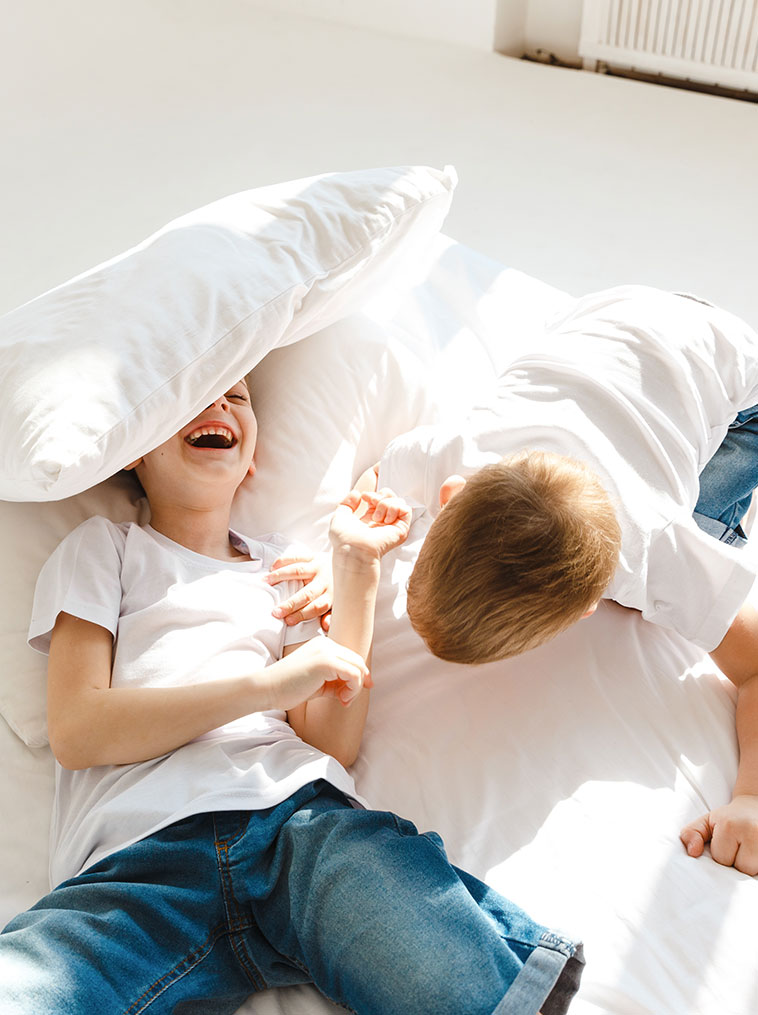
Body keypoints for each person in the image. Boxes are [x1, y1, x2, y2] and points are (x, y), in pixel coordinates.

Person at [0, 377, 584, 1015]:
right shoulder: (104, 548)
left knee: (462, 983)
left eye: (238, 396)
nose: (219, 404)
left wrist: (356, 569)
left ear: (251, 460)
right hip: (139, 864)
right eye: (195, 394)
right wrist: (269, 685)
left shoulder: (287, 570)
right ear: (139, 448)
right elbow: (81, 730)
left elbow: (330, 739)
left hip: (299, 829)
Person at [325, 286, 758, 878]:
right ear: (448, 499)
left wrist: (752, 797)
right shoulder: (449, 453)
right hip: (607, 313)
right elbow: (376, 482)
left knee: (711, 520)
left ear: (589, 606)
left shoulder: (655, 549)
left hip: (727, 364)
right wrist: (346, 564)